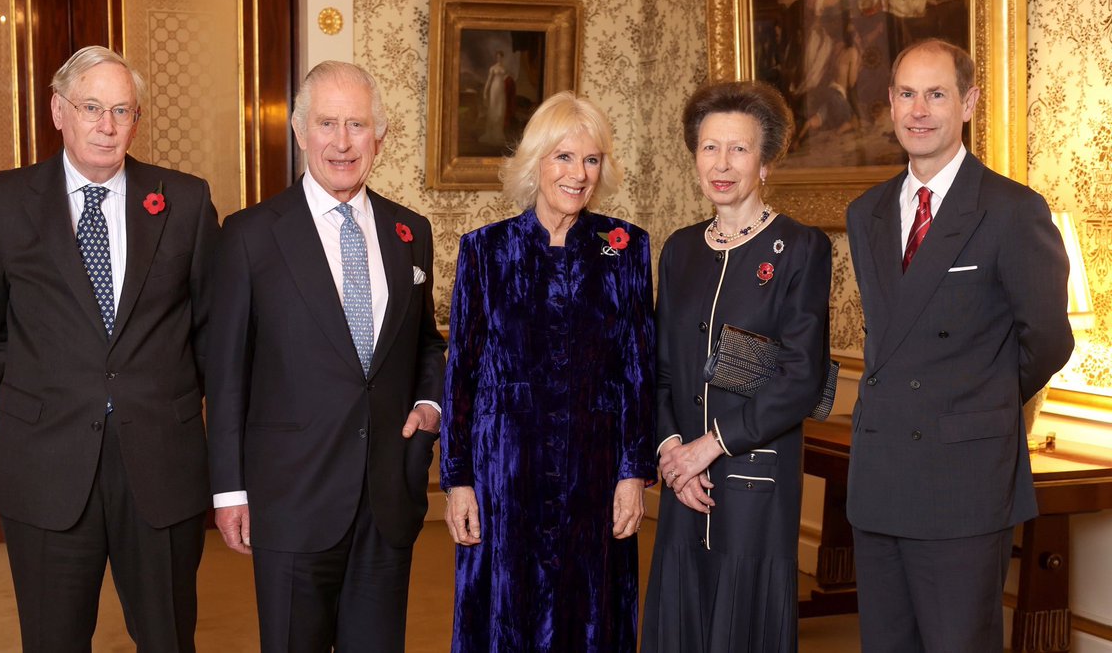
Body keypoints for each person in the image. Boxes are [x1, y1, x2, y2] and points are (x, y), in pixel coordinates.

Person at [0, 45, 219, 652]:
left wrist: (160, 393)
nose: (106, 126)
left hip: (160, 460)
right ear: (59, 111)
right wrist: (45, 390)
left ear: (136, 120)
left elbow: (211, 326)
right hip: (45, 464)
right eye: (91, 107)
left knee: (169, 639)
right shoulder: (3, 201)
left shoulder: (184, 200)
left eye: (122, 110)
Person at [205, 60, 446, 652]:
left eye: (358, 125)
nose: (342, 142)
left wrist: (430, 402)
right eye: (328, 124)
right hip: (291, 497)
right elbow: (227, 372)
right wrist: (229, 491)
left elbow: (426, 344)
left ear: (380, 137)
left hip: (386, 497)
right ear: (300, 132)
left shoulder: (409, 230)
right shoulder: (250, 235)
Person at [845, 39, 1073, 652]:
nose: (920, 110)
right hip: (880, 481)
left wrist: (976, 402)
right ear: (890, 103)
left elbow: (1048, 339)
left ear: (968, 102)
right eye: (907, 94)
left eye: (937, 94)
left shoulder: (1011, 210)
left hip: (963, 483)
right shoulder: (865, 212)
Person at [440, 91, 655, 652]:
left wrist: (633, 473)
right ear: (535, 160)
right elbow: (460, 372)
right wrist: (457, 479)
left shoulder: (625, 247)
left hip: (595, 468)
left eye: (591, 160)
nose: (578, 174)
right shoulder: (484, 251)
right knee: (506, 617)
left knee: (591, 618)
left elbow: (638, 366)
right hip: (504, 473)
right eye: (563, 157)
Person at [641, 80, 832, 653]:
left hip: (755, 481)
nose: (721, 164)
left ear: (766, 161)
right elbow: (661, 369)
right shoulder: (679, 250)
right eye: (709, 148)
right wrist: (674, 449)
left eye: (739, 149)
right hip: (682, 481)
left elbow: (800, 377)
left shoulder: (802, 247)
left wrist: (708, 447)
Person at [479, 50, 511, 147]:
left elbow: (508, 78)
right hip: (494, 89)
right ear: (496, 57)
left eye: (500, 57)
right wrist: (485, 92)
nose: (499, 58)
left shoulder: (505, 68)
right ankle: (490, 133)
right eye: (497, 57)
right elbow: (489, 81)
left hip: (501, 90)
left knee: (500, 110)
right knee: (493, 110)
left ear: (502, 57)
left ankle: (498, 133)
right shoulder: (493, 68)